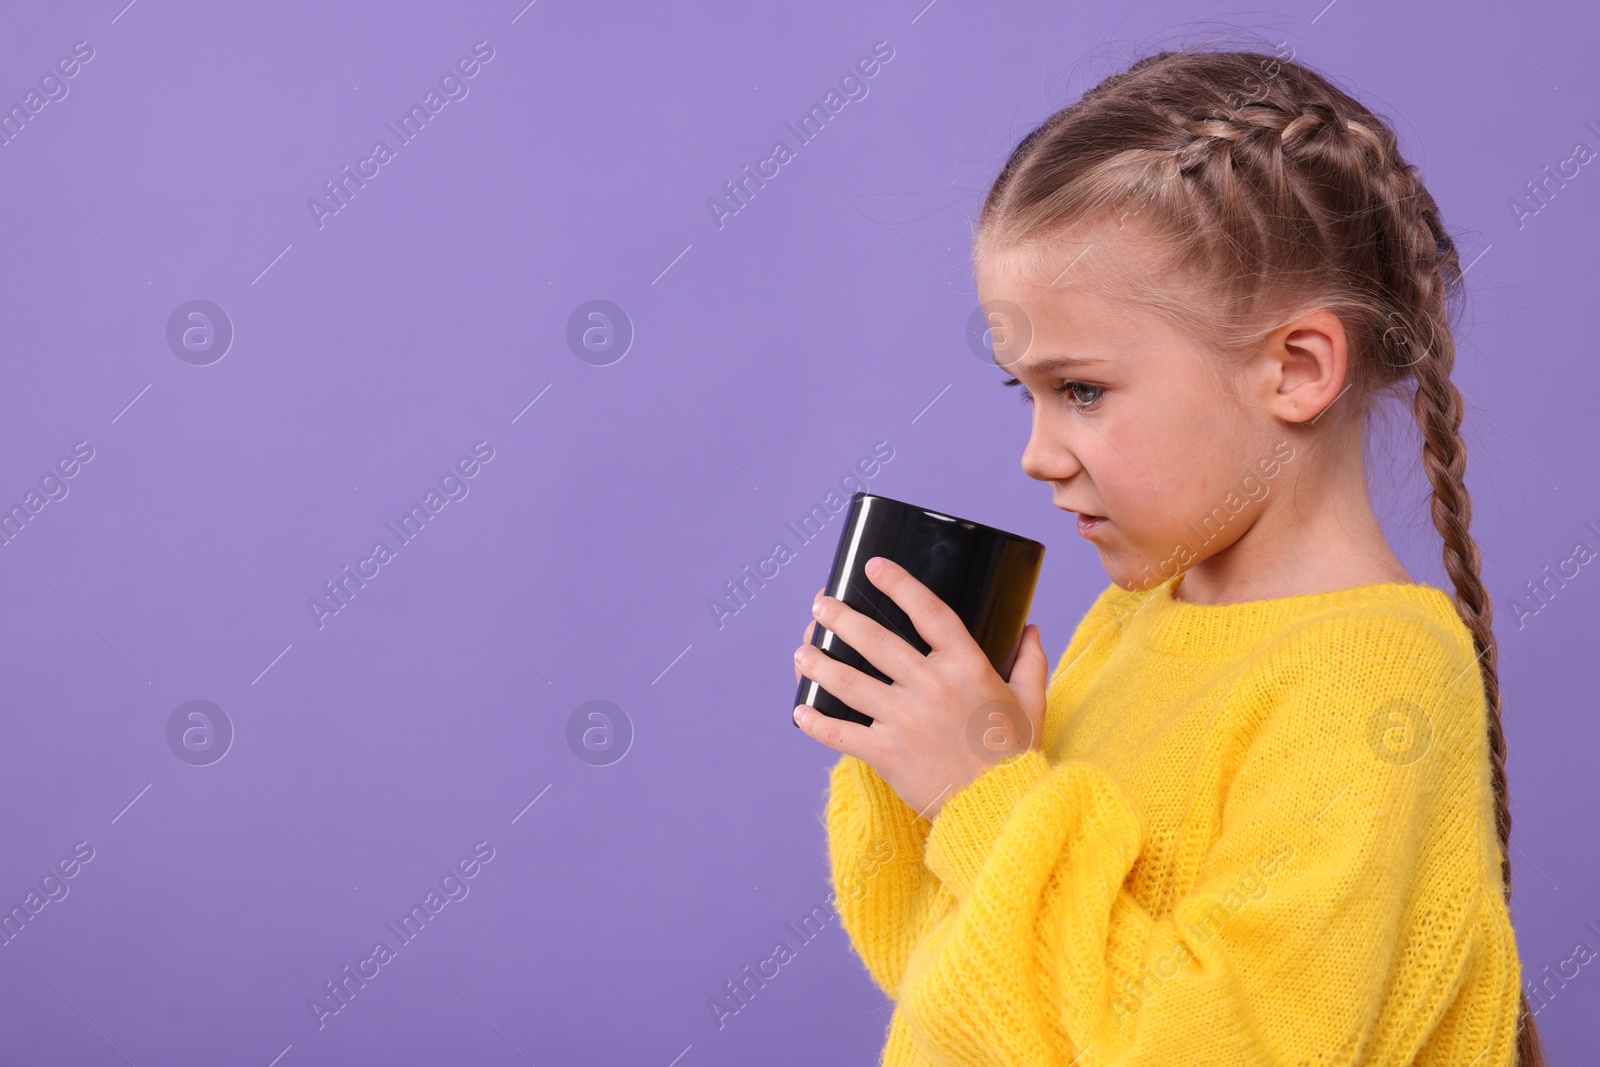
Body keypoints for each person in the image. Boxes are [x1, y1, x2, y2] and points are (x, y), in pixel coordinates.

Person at [790, 43, 1543, 1067]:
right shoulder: (1140, 616)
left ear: (1295, 367)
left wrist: (984, 794)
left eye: (1082, 390)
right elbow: (954, 983)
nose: (1036, 455)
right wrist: (912, 759)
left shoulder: (1371, 679)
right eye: (1027, 392)